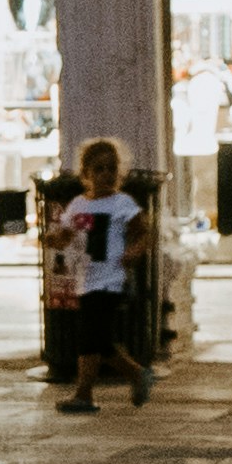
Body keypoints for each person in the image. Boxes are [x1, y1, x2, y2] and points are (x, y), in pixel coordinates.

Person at [40, 132, 150, 414]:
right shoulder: (79, 204)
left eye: (111, 168)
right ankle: (132, 375)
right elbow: (65, 234)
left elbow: (143, 232)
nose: (105, 175)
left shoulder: (122, 203)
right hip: (85, 279)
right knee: (96, 339)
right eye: (98, 169)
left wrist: (134, 251)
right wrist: (54, 239)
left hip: (110, 280)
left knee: (92, 337)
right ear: (85, 173)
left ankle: (87, 392)